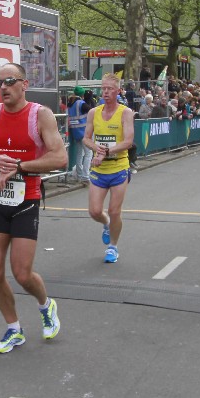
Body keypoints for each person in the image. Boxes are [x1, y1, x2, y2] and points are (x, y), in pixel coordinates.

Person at [0, 63, 67, 354]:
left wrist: (19, 167)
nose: (3, 87)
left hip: (27, 199)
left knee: (22, 274)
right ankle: (14, 329)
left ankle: (46, 305)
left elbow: (60, 158)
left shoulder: (40, 115)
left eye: (9, 81)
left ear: (24, 84)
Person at [84, 73, 135, 264]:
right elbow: (86, 138)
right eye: (103, 88)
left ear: (118, 91)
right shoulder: (93, 112)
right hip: (99, 170)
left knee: (114, 211)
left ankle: (113, 247)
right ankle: (106, 224)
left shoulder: (125, 113)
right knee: (95, 211)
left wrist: (106, 151)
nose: (105, 92)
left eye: (110, 89)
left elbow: (128, 141)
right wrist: (95, 148)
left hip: (119, 167)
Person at [66, 92, 89, 181]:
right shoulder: (81, 103)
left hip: (76, 133)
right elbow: (91, 111)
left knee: (79, 154)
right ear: (82, 95)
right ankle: (85, 176)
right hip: (85, 132)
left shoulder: (70, 105)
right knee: (88, 154)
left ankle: (79, 175)